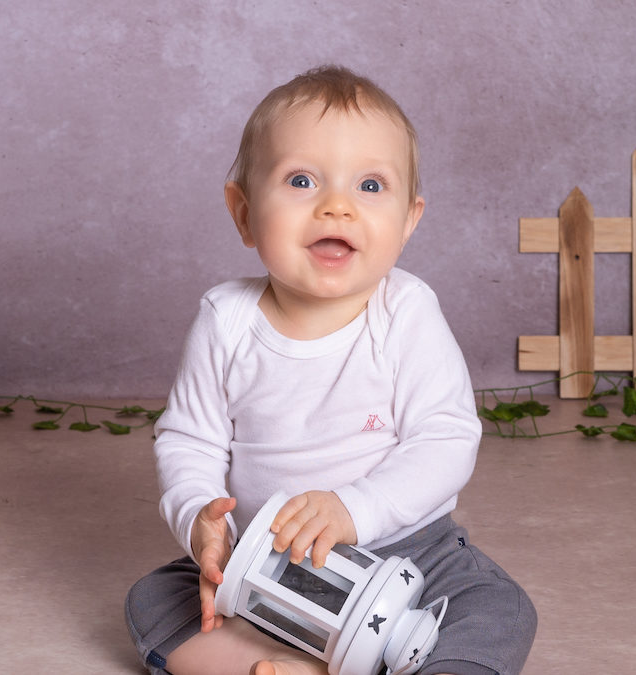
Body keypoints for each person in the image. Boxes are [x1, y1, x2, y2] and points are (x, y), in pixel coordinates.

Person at [125, 64, 536, 675]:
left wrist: (356, 508)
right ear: (243, 213)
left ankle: (375, 659)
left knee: (500, 609)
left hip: (406, 552)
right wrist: (200, 524)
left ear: (408, 220)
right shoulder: (226, 320)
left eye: (370, 186)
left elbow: (446, 438)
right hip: (263, 567)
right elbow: (189, 440)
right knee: (153, 601)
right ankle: (297, 663)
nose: (337, 206)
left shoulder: (406, 311)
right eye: (301, 180)